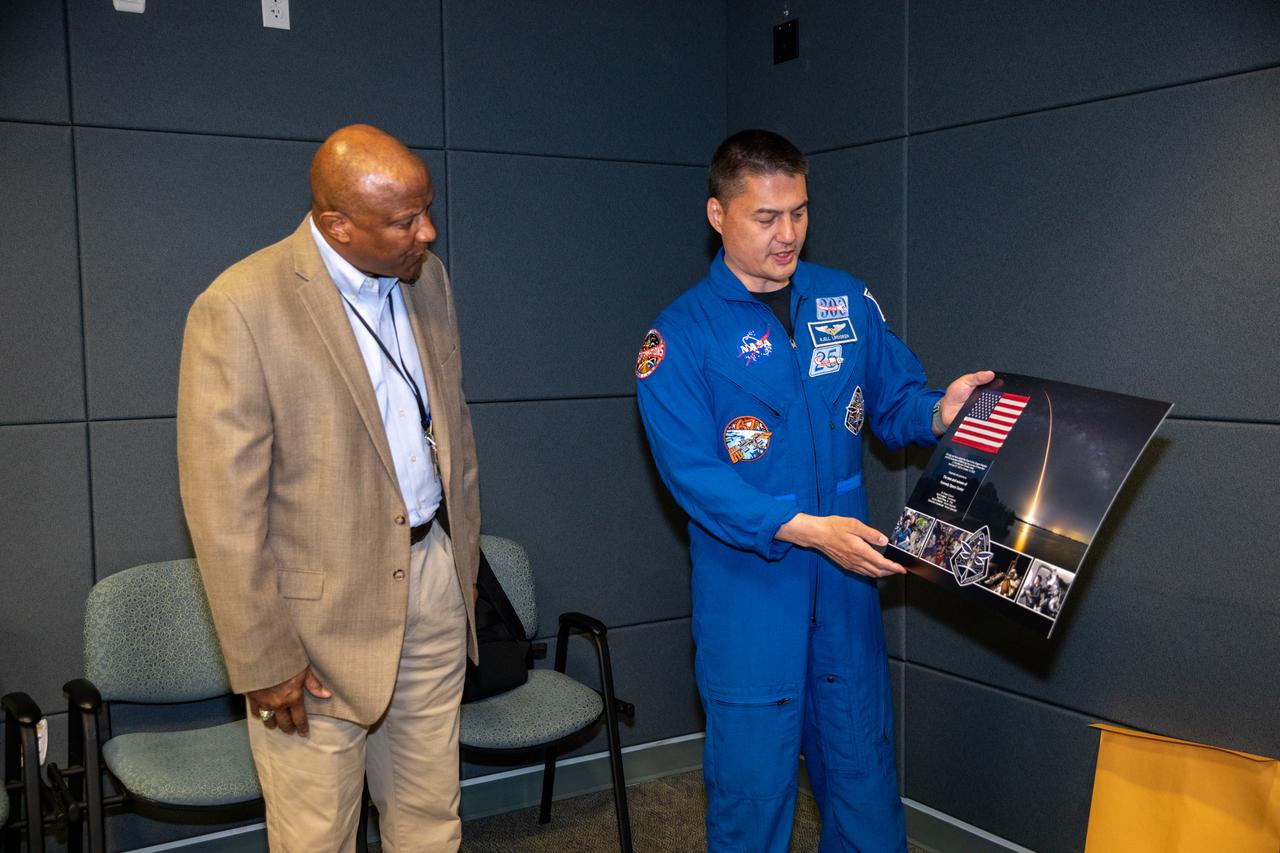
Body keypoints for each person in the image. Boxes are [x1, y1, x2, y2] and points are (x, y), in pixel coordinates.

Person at [634, 129, 992, 853]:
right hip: (749, 596)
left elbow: (896, 402)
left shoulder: (845, 300)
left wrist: (939, 412)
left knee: (863, 775)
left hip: (846, 588)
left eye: (798, 211)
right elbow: (696, 478)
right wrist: (805, 528)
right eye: (766, 217)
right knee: (753, 793)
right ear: (717, 214)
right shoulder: (677, 339)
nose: (788, 234)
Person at [177, 124, 480, 852]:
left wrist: (459, 566)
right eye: (405, 220)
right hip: (313, 626)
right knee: (317, 836)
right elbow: (223, 510)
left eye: (428, 210)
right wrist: (264, 658)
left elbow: (453, 429)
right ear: (337, 224)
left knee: (430, 819)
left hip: (431, 582)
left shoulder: (428, 280)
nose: (428, 233)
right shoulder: (241, 306)